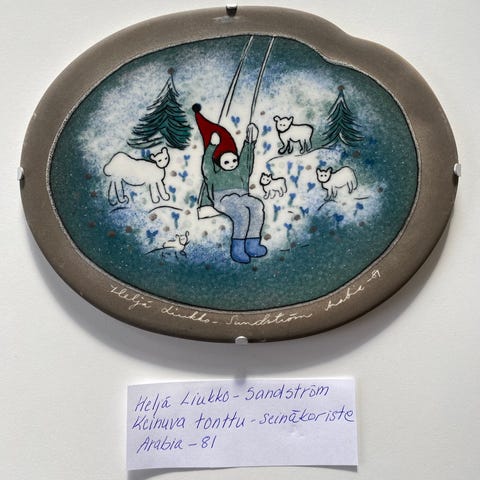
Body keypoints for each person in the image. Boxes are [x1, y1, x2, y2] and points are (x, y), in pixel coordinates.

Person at [193, 103, 267, 264]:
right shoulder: (214, 174)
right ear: (219, 162)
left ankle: (253, 243)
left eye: (234, 160)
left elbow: (246, 158)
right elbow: (206, 164)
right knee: (241, 213)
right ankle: (238, 247)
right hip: (224, 199)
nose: (232, 163)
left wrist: (250, 141)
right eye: (227, 161)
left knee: (257, 205)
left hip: (242, 196)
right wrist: (212, 146)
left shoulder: (241, 170)